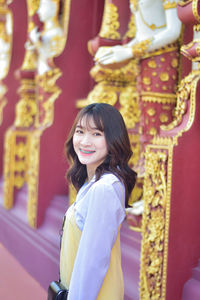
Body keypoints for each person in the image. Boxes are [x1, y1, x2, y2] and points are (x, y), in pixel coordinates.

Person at [59, 103, 137, 300]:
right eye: (80, 131)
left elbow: (92, 264)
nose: (85, 141)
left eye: (96, 134)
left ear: (113, 140)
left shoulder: (104, 189)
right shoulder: (94, 184)